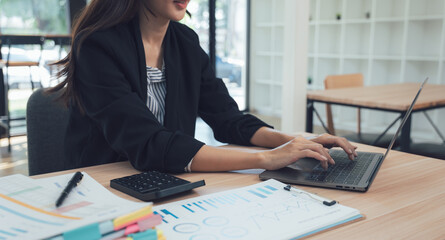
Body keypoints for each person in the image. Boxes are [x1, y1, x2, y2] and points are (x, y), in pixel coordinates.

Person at [50, 0, 357, 173]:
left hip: (167, 181)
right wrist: (267, 158)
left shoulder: (185, 43)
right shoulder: (97, 46)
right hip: (103, 188)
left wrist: (296, 142)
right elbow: (148, 143)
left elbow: (228, 119)